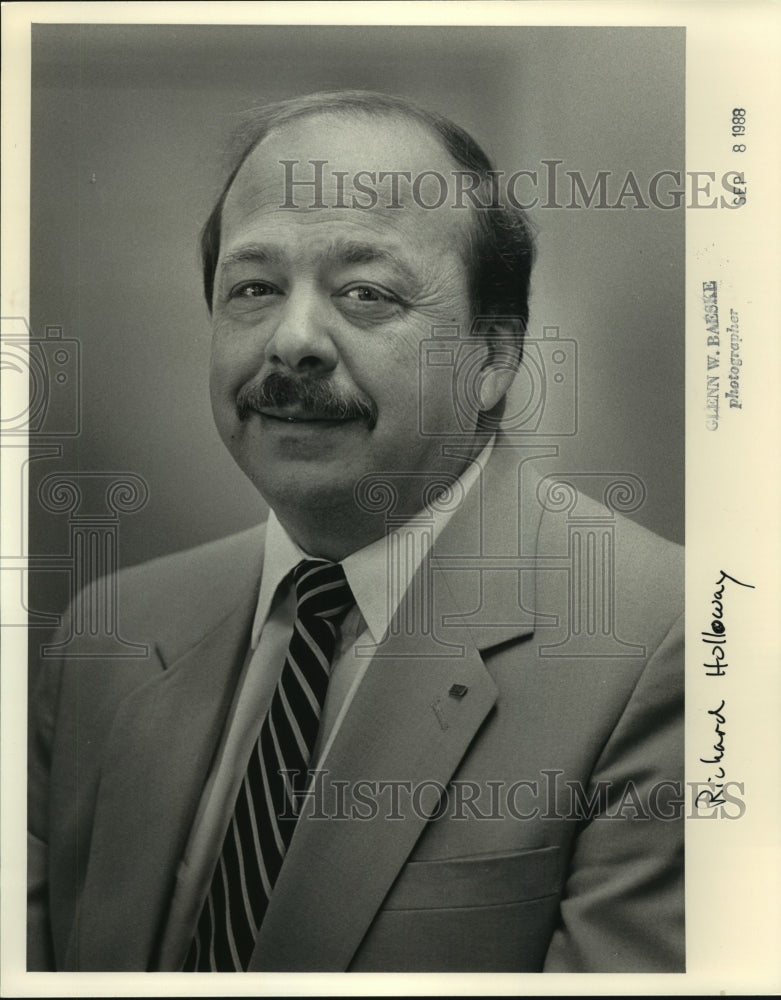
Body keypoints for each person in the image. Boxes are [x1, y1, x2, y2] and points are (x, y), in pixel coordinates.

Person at [27, 90, 684, 973]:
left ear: (493, 359)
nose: (293, 340)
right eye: (253, 288)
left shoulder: (668, 643)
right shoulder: (106, 633)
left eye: (365, 293)